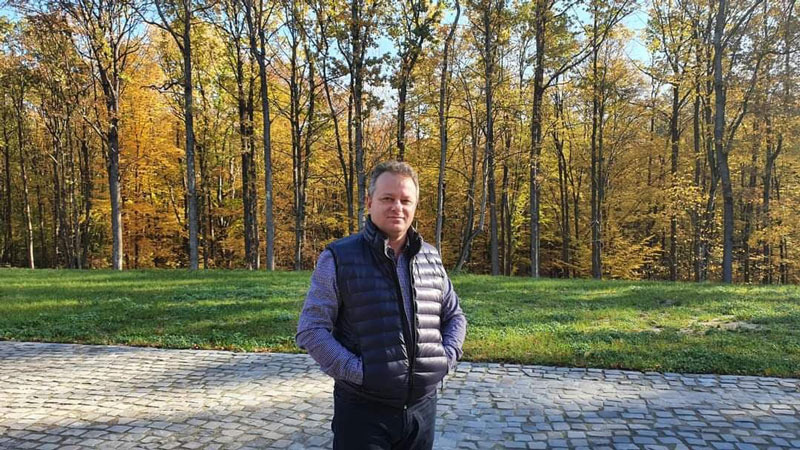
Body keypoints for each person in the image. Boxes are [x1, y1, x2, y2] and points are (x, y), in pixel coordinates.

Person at [296, 160, 467, 450]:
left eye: (405, 200)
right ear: (369, 202)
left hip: (421, 411)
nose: (397, 207)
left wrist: (445, 359)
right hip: (363, 412)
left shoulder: (430, 258)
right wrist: (360, 373)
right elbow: (311, 330)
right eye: (387, 198)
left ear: (415, 205)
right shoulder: (339, 258)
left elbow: (455, 316)